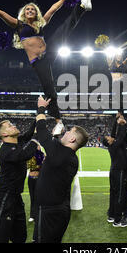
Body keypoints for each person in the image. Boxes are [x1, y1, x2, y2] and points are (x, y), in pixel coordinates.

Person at [0, 0, 92, 135]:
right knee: (50, 91)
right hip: (38, 61)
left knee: (62, 31)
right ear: (24, 13)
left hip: (48, 52)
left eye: (32, 9)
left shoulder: (40, 23)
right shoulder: (18, 25)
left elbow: (53, 9)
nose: (30, 10)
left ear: (36, 13)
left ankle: (83, 7)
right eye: (27, 9)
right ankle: (59, 122)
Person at [33, 97, 89, 243]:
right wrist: (57, 135)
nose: (66, 131)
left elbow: (41, 131)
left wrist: (41, 108)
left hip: (48, 211)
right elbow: (56, 145)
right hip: (59, 210)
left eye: (70, 131)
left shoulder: (61, 154)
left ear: (72, 140)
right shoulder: (70, 157)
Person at [0, 117, 38, 243]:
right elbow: (24, 155)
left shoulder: (17, 142)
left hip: (16, 197)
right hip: (3, 198)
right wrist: (37, 138)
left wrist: (40, 114)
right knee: (0, 239)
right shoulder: (5, 150)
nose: (14, 125)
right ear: (4, 134)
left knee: (20, 237)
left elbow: (29, 134)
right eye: (10, 125)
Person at [103, 115, 127, 227]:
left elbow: (114, 134)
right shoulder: (115, 145)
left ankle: (111, 215)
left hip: (113, 171)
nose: (111, 137)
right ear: (109, 142)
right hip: (118, 171)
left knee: (113, 193)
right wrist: (122, 124)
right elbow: (122, 135)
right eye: (109, 138)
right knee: (119, 194)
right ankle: (117, 220)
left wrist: (115, 120)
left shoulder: (113, 145)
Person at [107, 43, 127, 115]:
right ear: (114, 56)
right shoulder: (111, 63)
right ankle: (120, 113)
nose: (119, 56)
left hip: (123, 82)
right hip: (116, 84)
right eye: (118, 55)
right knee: (119, 101)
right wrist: (105, 45)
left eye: (120, 56)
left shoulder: (123, 64)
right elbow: (108, 56)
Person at [27, 142, 45, 223]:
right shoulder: (30, 156)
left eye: (39, 145)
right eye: (36, 146)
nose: (38, 147)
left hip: (39, 178)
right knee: (32, 197)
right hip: (31, 178)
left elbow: (43, 167)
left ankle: (38, 214)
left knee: (39, 197)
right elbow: (28, 166)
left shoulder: (43, 155)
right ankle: (32, 215)